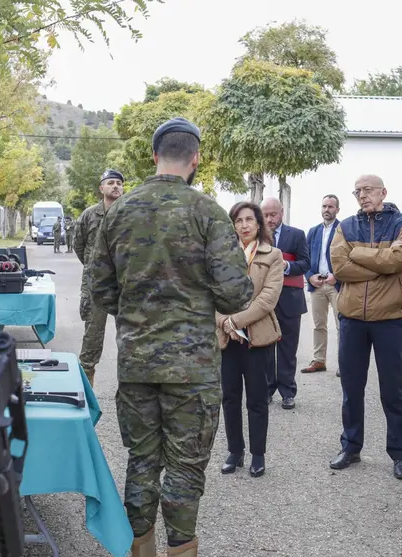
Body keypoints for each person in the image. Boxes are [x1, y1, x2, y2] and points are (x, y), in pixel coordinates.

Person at [91, 117, 252, 557]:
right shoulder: (208, 213)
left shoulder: (119, 212)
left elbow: (100, 290)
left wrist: (139, 311)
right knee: (184, 465)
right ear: (196, 158)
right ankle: (181, 548)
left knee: (142, 460)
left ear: (154, 156)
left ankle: (138, 548)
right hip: (192, 367)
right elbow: (236, 292)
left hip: (138, 362)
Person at [329, 175, 402, 480]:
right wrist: (381, 268)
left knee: (392, 389)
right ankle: (351, 446)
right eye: (357, 192)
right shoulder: (346, 226)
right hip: (352, 319)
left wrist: (359, 254)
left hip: (389, 319)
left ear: (383, 191)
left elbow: (399, 260)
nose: (362, 195)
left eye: (367, 190)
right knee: (351, 387)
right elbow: (339, 267)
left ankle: (399, 454)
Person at [216, 201, 283, 478]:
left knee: (256, 399)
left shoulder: (273, 255)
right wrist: (224, 322)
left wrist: (236, 321)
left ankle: (258, 454)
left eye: (249, 220)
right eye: (238, 220)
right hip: (227, 339)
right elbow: (209, 295)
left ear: (259, 224)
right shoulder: (219, 256)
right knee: (230, 398)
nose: (244, 225)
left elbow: (268, 299)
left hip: (257, 339)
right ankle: (235, 450)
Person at [74, 169, 125, 387]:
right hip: (96, 286)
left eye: (119, 183)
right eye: (110, 183)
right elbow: (79, 246)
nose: (115, 186)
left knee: (130, 337)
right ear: (101, 188)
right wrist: (94, 267)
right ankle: (86, 393)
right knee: (92, 339)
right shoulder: (89, 215)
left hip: (125, 285)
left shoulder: (129, 213)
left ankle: (131, 390)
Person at [260, 197, 310, 409]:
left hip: (290, 300)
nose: (270, 219)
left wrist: (285, 266)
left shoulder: (297, 235)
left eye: (274, 214)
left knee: (288, 349)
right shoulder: (256, 235)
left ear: (281, 213)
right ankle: (267, 389)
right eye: (266, 215)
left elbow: (306, 263)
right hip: (263, 301)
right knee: (265, 348)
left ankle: (288, 392)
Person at [302, 194, 341, 375]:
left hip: (337, 284)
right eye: (324, 206)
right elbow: (305, 258)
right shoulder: (313, 231)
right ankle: (319, 360)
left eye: (331, 207)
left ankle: (344, 363)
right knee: (318, 325)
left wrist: (338, 276)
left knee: (342, 324)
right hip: (317, 284)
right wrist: (310, 276)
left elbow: (349, 257)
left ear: (337, 210)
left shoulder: (344, 229)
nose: (327, 210)